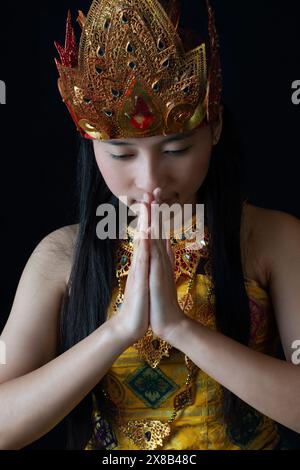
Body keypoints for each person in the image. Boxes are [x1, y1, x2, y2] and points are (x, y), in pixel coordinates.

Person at [0, 0, 299, 451]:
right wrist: (118, 331)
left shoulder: (271, 239)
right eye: (121, 154)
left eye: (176, 150)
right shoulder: (61, 255)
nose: (151, 181)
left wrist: (180, 329)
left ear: (214, 128)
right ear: (92, 147)